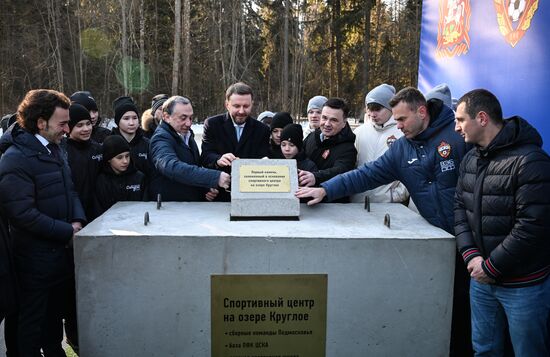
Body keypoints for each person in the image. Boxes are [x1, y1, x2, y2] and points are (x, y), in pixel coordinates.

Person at [296, 87, 473, 356]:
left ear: (422, 112)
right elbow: (365, 175)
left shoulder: (458, 136)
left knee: (474, 313)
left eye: (401, 120)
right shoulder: (402, 149)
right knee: (445, 309)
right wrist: (326, 189)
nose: (397, 126)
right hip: (438, 243)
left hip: (473, 240)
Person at [454, 89, 550, 356]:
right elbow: (460, 208)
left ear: (482, 118)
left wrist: (492, 266)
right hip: (481, 281)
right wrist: (471, 256)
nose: (456, 127)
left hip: (524, 287)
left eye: (461, 120)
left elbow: (532, 226)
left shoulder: (531, 161)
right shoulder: (471, 158)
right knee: (484, 350)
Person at [0, 89, 86, 356]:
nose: (67, 128)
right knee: (30, 327)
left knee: (53, 325)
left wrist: (78, 220)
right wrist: (65, 231)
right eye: (62, 123)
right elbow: (22, 213)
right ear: (40, 123)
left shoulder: (56, 150)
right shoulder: (15, 159)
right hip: (33, 261)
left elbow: (70, 191)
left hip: (59, 256)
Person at [148, 96, 230, 202]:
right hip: (169, 208)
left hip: (186, 206)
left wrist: (204, 188)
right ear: (166, 117)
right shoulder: (160, 139)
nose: (189, 123)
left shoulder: (186, 134)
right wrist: (213, 177)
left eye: (190, 118)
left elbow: (192, 166)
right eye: (183, 118)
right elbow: (171, 166)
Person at [201, 82, 270, 201]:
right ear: (227, 105)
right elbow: (205, 156)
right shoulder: (212, 124)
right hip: (219, 193)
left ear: (252, 104)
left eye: (246, 106)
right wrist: (219, 160)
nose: (242, 111)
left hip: (251, 194)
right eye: (236, 106)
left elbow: (264, 157)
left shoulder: (262, 129)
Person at [351, 84, 408, 204]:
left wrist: (395, 196)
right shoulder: (359, 132)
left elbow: (411, 170)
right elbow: (351, 165)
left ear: (390, 108)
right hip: (357, 203)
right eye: (369, 109)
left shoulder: (403, 133)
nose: (372, 114)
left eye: (377, 109)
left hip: (389, 205)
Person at [298, 98, 357, 203]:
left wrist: (315, 177)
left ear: (344, 123)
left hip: (331, 207)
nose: (327, 124)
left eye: (333, 120)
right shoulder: (312, 136)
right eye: (324, 118)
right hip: (304, 203)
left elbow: (340, 172)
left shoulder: (348, 149)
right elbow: (298, 155)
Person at [93, 135, 146, 217]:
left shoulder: (139, 178)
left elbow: (145, 206)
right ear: (109, 159)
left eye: (127, 156)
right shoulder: (101, 181)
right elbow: (98, 211)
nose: (125, 161)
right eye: (119, 158)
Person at [111, 96, 153, 181]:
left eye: (134, 118)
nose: (131, 123)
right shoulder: (109, 144)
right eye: (126, 118)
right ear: (118, 121)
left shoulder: (148, 144)